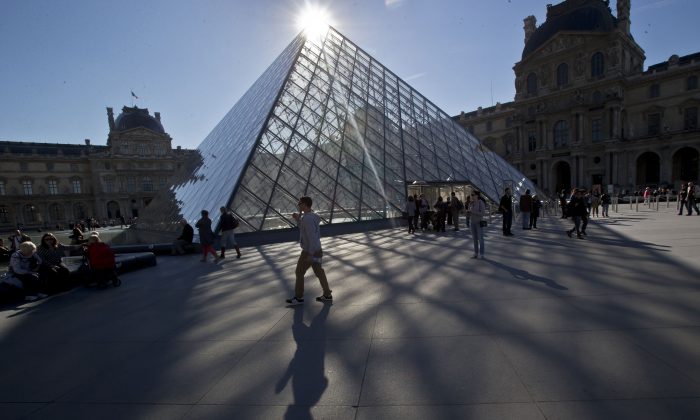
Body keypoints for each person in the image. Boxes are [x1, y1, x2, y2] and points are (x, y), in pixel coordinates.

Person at [286, 196, 332, 306]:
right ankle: (327, 295)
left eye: (300, 203)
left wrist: (310, 254)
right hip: (317, 249)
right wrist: (298, 220)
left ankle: (299, 297)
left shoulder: (307, 219)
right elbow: (307, 230)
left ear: (305, 204)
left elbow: (311, 237)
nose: (298, 205)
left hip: (309, 251)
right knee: (319, 272)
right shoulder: (312, 216)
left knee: (299, 272)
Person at [469, 190, 487, 259]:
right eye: (471, 195)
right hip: (472, 222)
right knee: (474, 239)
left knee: (480, 239)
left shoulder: (480, 203)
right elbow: (470, 212)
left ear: (477, 195)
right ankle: (476, 253)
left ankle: (482, 253)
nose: (472, 196)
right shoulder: (471, 203)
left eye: (473, 195)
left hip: (479, 223)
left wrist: (472, 211)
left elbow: (482, 213)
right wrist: (468, 212)